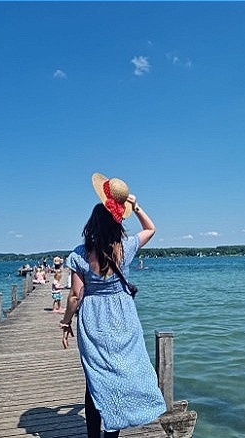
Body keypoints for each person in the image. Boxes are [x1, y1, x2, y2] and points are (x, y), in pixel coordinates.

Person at [60, 173, 166, 438]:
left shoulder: (79, 254)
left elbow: (75, 295)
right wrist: (137, 206)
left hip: (92, 319)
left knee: (94, 381)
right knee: (119, 378)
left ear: (91, 225)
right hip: (122, 318)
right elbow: (151, 228)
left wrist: (65, 323)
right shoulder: (126, 247)